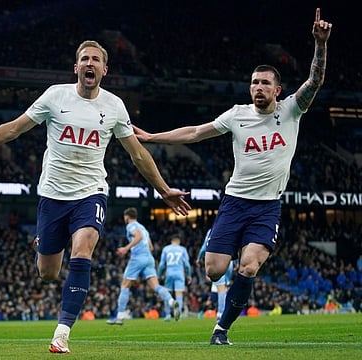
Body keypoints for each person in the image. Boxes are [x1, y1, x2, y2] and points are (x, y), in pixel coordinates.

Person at [0, 40, 190, 354]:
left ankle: (62, 332)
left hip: (91, 192)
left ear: (104, 70)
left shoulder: (114, 106)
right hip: (53, 195)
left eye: (96, 60)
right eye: (84, 59)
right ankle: (44, 243)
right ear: (76, 67)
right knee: (49, 273)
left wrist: (163, 189)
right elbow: (13, 129)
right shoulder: (56, 96)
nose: (90, 64)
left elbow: (137, 154)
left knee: (83, 248)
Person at [133, 8, 332, 345]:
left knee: (249, 266)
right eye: (254, 82)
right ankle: (223, 246)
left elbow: (315, 81)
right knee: (214, 270)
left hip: (267, 207)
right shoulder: (237, 116)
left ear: (278, 90)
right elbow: (196, 132)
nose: (257, 87)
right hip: (234, 203)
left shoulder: (292, 110)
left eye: (265, 83)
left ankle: (221, 329)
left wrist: (320, 44)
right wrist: (152, 137)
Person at [106, 207, 181, 325]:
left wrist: (126, 248)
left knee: (125, 285)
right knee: (155, 286)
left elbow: (138, 236)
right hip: (149, 258)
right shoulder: (144, 228)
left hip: (138, 258)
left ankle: (120, 316)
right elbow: (150, 246)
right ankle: (171, 301)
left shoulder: (131, 226)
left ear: (127, 216)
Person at [196, 228, 234, 322]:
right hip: (230, 261)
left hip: (218, 259)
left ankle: (220, 314)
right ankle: (221, 312)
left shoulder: (212, 230)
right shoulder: (231, 228)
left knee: (220, 290)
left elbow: (204, 247)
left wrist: (199, 258)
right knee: (223, 290)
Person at [157, 234, 192, 321]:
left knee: (167, 293)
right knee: (179, 294)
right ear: (178, 241)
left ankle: (168, 315)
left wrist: (158, 275)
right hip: (179, 273)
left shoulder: (166, 249)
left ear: (171, 241)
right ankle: (178, 313)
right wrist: (189, 275)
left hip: (169, 273)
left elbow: (161, 264)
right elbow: (187, 265)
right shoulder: (182, 249)